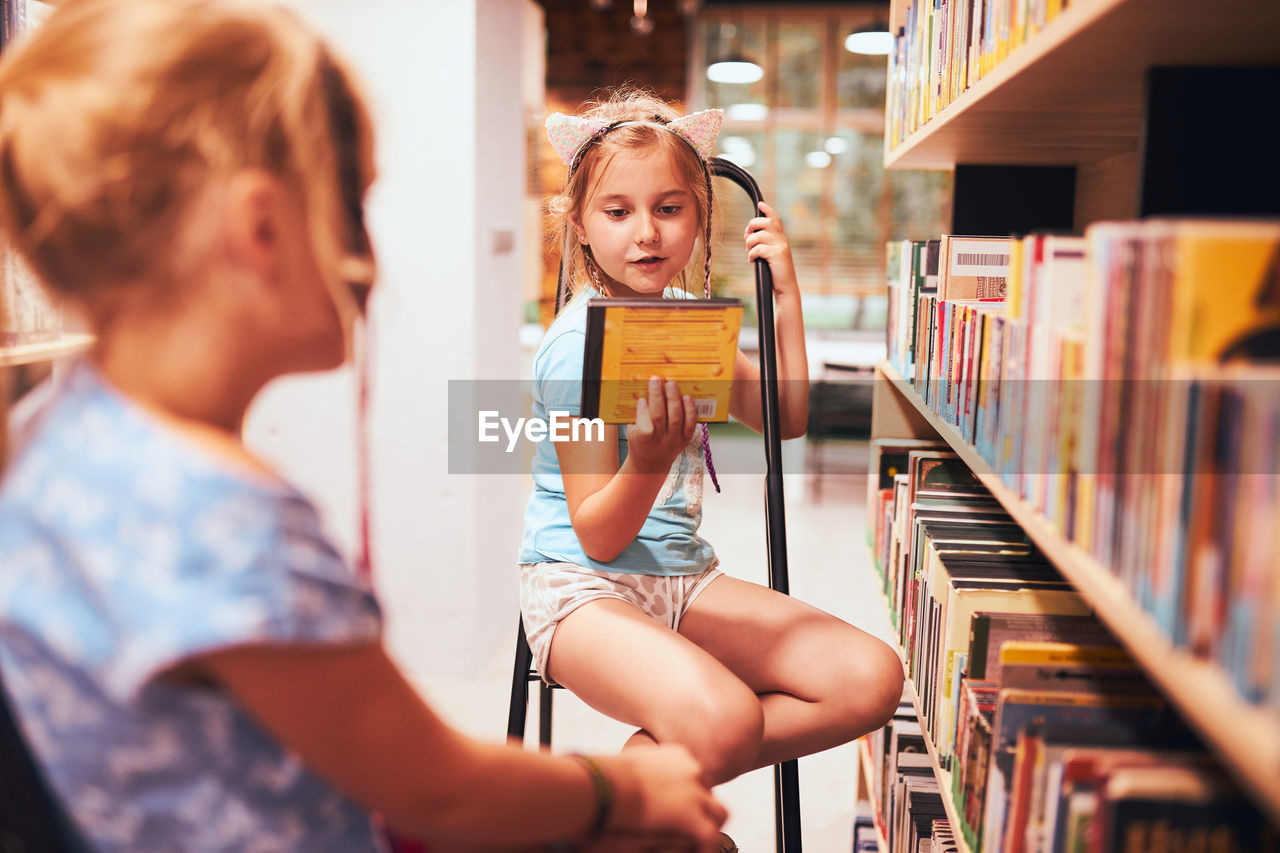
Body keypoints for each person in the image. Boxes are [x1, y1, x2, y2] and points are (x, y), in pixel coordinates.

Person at [0, 2, 728, 851]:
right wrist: (623, 785)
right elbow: (442, 792)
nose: (371, 253)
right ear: (264, 226)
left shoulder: (56, 430)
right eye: (357, 204)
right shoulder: (220, 522)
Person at [518, 88, 906, 818]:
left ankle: (643, 798)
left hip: (681, 581)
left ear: (700, 217)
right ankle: (643, 807)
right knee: (726, 719)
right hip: (581, 590)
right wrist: (651, 459)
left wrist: (784, 298)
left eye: (670, 208)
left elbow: (785, 416)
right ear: (580, 223)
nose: (647, 234)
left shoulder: (689, 325)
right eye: (618, 211)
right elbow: (597, 534)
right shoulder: (575, 348)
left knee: (871, 677)